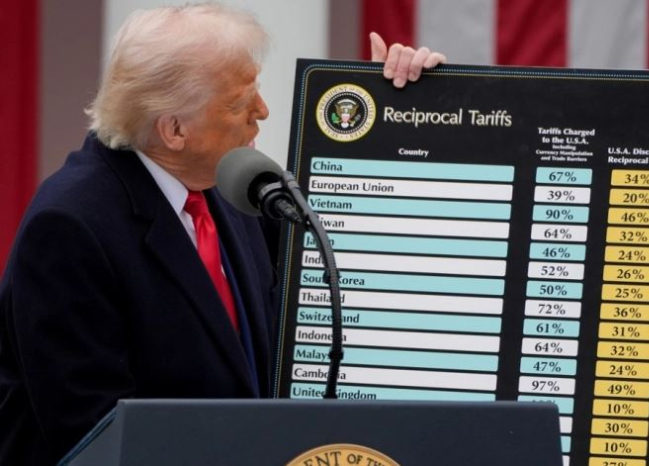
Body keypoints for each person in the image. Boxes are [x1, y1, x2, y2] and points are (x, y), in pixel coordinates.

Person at [0, 3, 445, 465]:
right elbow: (99, 441)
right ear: (174, 130)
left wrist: (392, 117)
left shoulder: (228, 182)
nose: (262, 111)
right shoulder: (69, 229)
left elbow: (339, 260)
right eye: (239, 102)